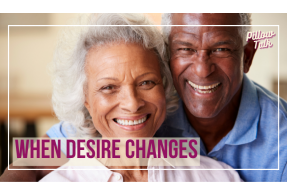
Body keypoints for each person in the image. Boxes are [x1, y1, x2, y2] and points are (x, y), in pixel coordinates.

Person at [0, 13, 242, 182]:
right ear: (84, 98)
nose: (132, 103)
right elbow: (32, 159)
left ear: (164, 86)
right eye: (108, 87)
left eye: (146, 82)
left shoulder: (219, 177)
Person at [154, 13, 287, 182]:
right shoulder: (149, 118)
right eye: (186, 49)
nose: (202, 71)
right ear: (166, 56)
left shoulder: (282, 146)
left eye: (220, 50)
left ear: (247, 57)